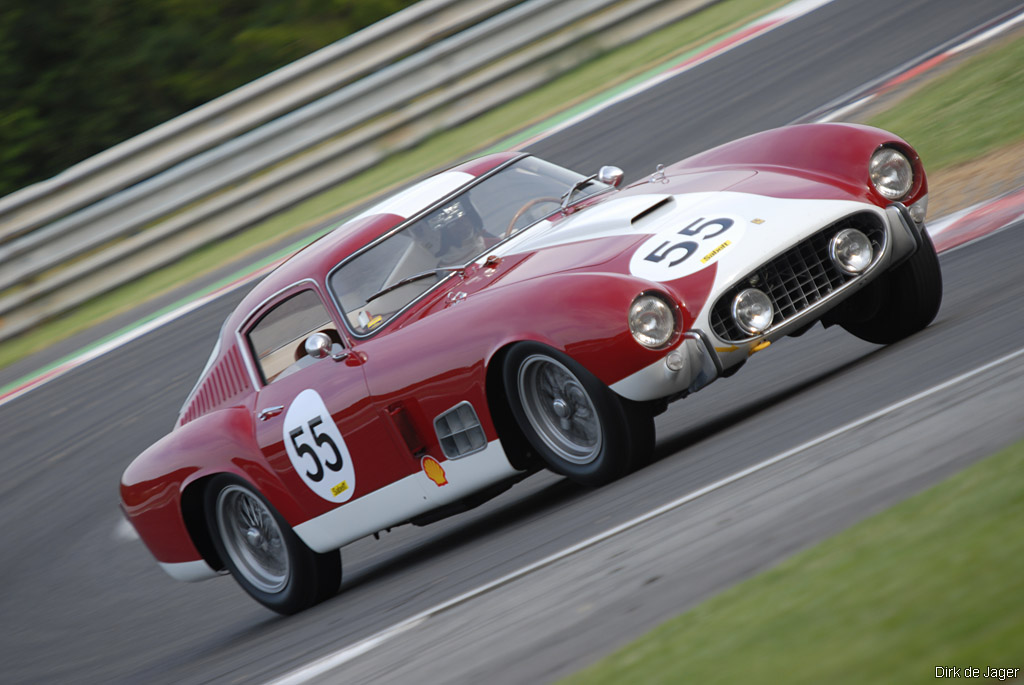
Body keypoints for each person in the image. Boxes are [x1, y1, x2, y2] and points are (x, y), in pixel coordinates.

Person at [425, 198, 491, 266]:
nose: (463, 226)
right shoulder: (442, 273)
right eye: (454, 224)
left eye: (463, 219)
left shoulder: (495, 245)